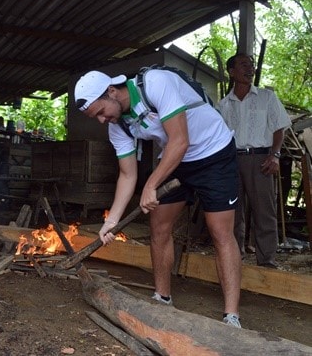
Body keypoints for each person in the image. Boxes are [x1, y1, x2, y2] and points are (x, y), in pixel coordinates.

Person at [74, 69, 242, 328]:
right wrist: (112, 221)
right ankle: (162, 298)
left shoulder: (155, 83)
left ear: (111, 92)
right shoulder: (117, 125)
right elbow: (127, 175)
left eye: (99, 111)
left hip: (213, 152)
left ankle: (231, 316)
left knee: (220, 232)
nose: (101, 120)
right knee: (159, 226)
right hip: (176, 160)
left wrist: (151, 185)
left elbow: (180, 140)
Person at [218, 53, 292, 268]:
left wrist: (275, 155)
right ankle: (235, 258)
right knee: (233, 212)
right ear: (231, 72)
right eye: (243, 65)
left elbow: (280, 127)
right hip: (232, 160)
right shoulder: (223, 105)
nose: (250, 69)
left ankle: (266, 260)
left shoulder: (266, 97)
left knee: (264, 211)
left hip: (260, 158)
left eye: (251, 65)